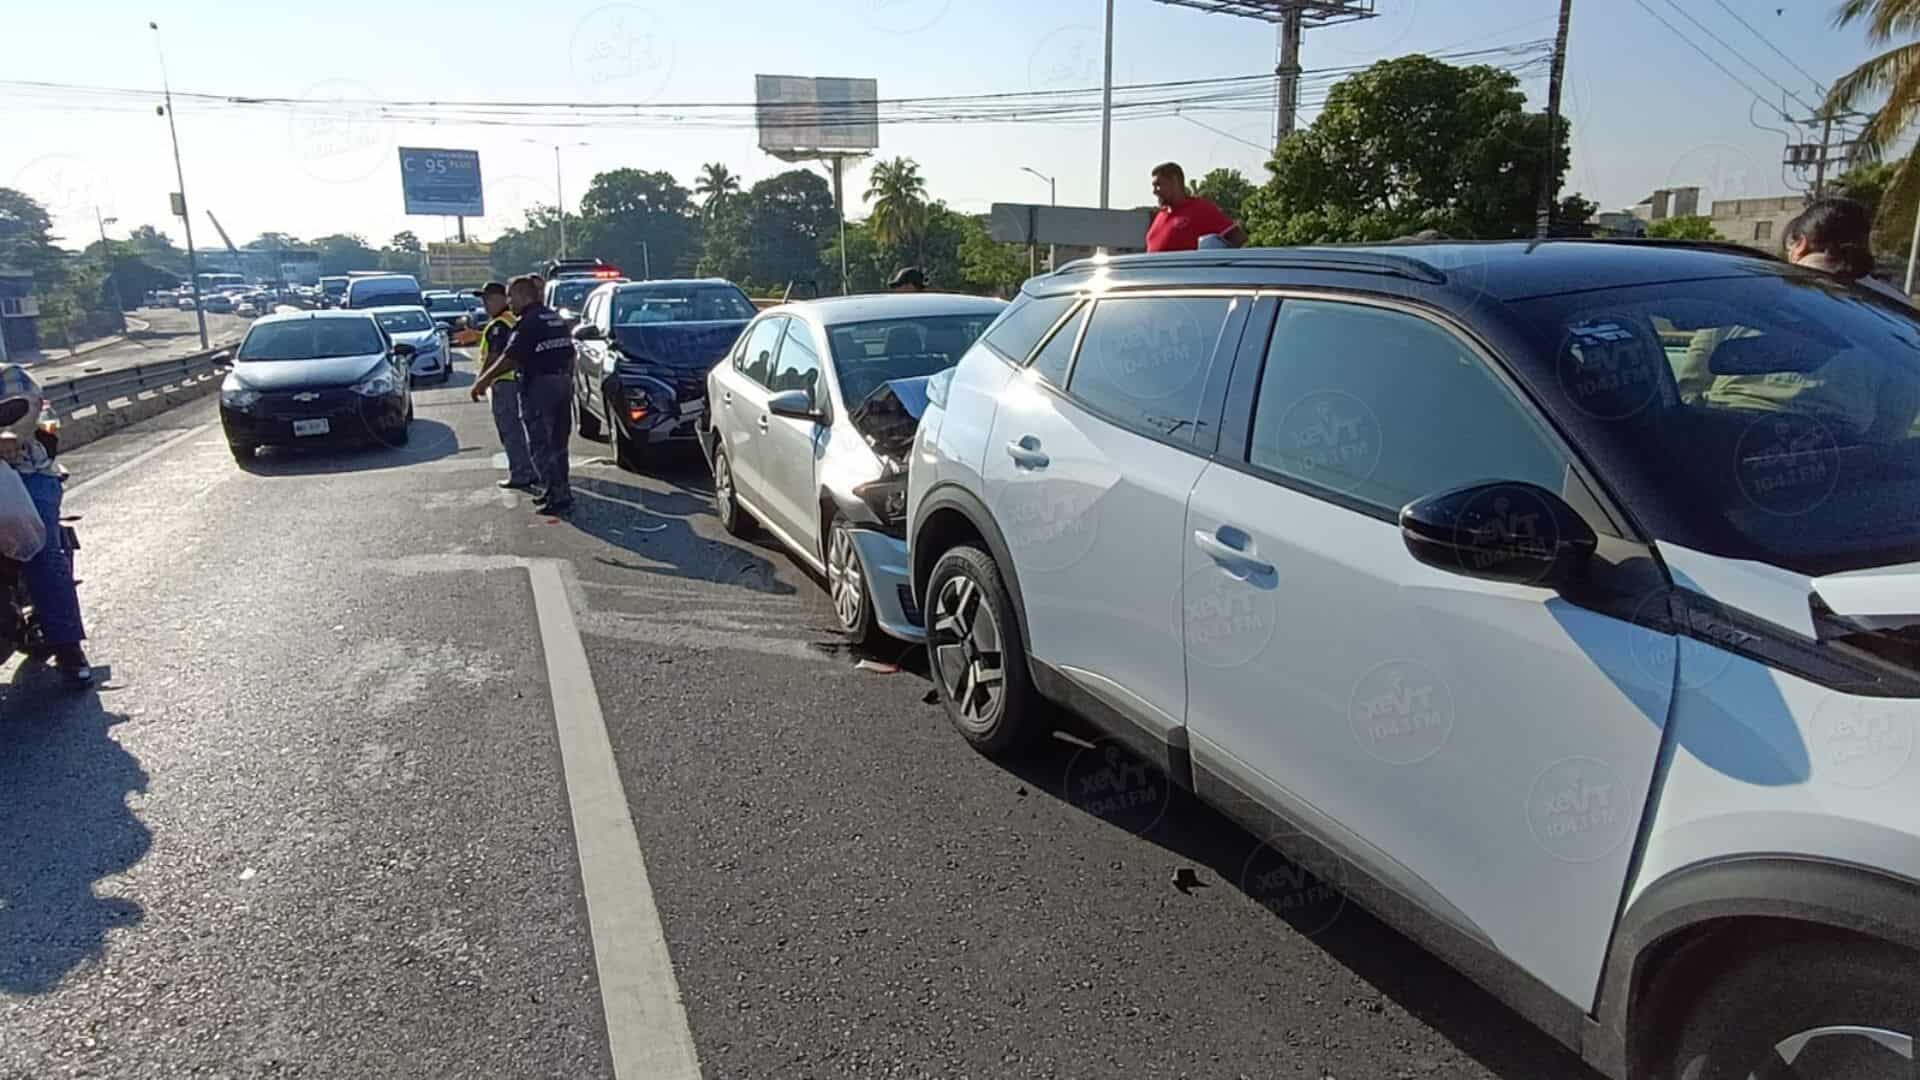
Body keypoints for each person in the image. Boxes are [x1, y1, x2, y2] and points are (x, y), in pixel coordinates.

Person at [1674, 196, 1920, 441]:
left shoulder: (1742, 289)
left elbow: (1691, 381)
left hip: (1724, 430)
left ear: (1800, 244)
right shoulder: (1891, 308)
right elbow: (1897, 411)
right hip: (1835, 447)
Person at [0, 365, 91, 685]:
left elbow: (28, 409)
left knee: (38, 547)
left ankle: (68, 647)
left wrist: (11, 436)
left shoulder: (9, 375)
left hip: (23, 474)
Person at [473, 275, 576, 515]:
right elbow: (570, 353)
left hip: (540, 386)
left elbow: (511, 357)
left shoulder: (528, 322)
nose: (510, 302)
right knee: (559, 443)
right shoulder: (554, 318)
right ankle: (561, 491)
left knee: (541, 442)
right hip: (562, 382)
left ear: (522, 295)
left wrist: (483, 380)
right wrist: (567, 378)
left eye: (511, 296)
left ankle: (555, 495)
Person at [472, 282, 538, 492]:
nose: (485, 304)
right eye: (484, 300)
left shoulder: (499, 325)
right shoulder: (514, 319)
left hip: (504, 383)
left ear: (503, 298)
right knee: (522, 429)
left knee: (510, 430)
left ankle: (521, 472)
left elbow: (494, 357)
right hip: (518, 380)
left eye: (489, 299)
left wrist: (481, 381)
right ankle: (531, 469)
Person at [1146, 162, 1247, 253]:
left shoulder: (1200, 208)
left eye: (1158, 185)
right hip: (1153, 273)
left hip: (1189, 273)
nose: (1154, 191)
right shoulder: (1160, 216)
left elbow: (1238, 237)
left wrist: (1211, 265)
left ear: (1174, 181)